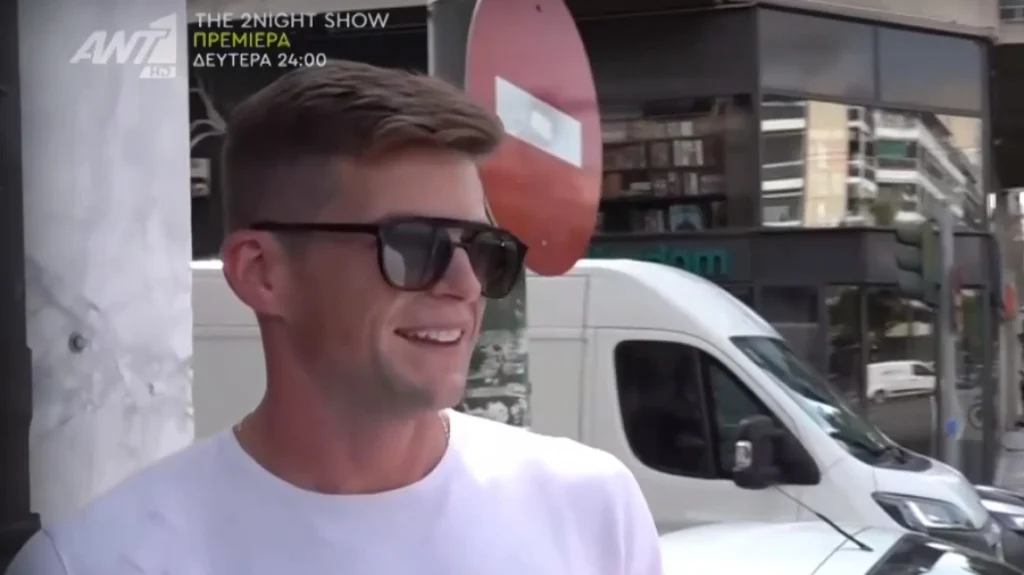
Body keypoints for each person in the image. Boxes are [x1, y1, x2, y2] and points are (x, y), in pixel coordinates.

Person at [6, 60, 661, 574]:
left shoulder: (591, 510)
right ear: (262, 272)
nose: (465, 284)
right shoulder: (97, 561)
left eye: (482, 247)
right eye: (415, 245)